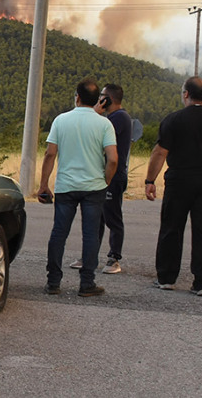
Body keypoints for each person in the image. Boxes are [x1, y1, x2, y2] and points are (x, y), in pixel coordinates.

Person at [144, 76, 202, 297]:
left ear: (186, 94)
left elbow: (160, 152)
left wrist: (150, 180)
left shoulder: (173, 120)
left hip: (179, 180)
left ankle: (166, 278)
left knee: (171, 228)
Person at [38, 78, 117, 297]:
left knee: (59, 233)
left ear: (78, 97)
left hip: (66, 186)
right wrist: (106, 180)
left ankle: (53, 282)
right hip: (94, 187)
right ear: (96, 100)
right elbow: (112, 159)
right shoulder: (104, 124)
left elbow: (50, 154)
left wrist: (44, 184)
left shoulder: (61, 120)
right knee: (91, 235)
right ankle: (87, 284)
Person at [70, 83, 132, 274]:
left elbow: (96, 135)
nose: (98, 99)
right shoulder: (111, 118)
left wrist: (94, 113)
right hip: (100, 175)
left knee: (113, 217)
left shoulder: (118, 118)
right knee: (96, 218)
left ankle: (114, 258)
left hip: (112, 176)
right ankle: (89, 256)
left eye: (102, 96)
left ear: (108, 99)